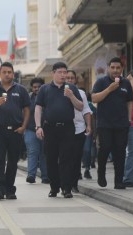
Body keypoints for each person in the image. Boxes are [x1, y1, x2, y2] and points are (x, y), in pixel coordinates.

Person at [0, 62, 30, 200]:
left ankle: (10, 189)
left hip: (16, 130)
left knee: (13, 161)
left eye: (10, 72)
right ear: (0, 74)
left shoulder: (20, 90)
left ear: (13, 74)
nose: (7, 74)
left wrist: (24, 127)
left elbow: (27, 110)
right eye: (4, 72)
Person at [35, 62, 83, 198]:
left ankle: (66, 188)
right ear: (53, 73)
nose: (63, 75)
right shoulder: (45, 89)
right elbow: (38, 108)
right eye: (60, 72)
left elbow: (80, 107)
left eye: (65, 72)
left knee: (67, 159)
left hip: (67, 127)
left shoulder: (72, 88)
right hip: (50, 128)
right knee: (51, 159)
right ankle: (54, 187)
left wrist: (71, 96)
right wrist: (38, 126)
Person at [92, 57, 133, 190]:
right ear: (108, 68)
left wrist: (129, 119)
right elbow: (94, 98)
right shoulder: (101, 82)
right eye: (113, 67)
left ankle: (119, 181)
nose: (115, 70)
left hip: (121, 124)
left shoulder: (126, 83)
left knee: (120, 152)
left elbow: (130, 101)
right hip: (104, 124)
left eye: (118, 68)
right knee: (105, 149)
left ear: (122, 69)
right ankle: (101, 173)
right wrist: (109, 89)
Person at [66, 70, 91, 193]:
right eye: (68, 78)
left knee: (76, 158)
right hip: (64, 131)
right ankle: (65, 183)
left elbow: (86, 110)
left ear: (75, 80)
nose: (70, 80)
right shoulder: (58, 93)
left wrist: (89, 125)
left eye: (72, 78)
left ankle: (74, 183)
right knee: (66, 158)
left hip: (79, 129)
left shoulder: (81, 93)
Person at [24, 77, 49, 184]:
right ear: (31, 88)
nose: (37, 89)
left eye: (39, 87)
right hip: (30, 130)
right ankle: (31, 175)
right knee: (32, 152)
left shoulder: (48, 96)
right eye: (34, 87)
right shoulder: (28, 98)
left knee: (44, 153)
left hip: (46, 130)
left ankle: (45, 176)